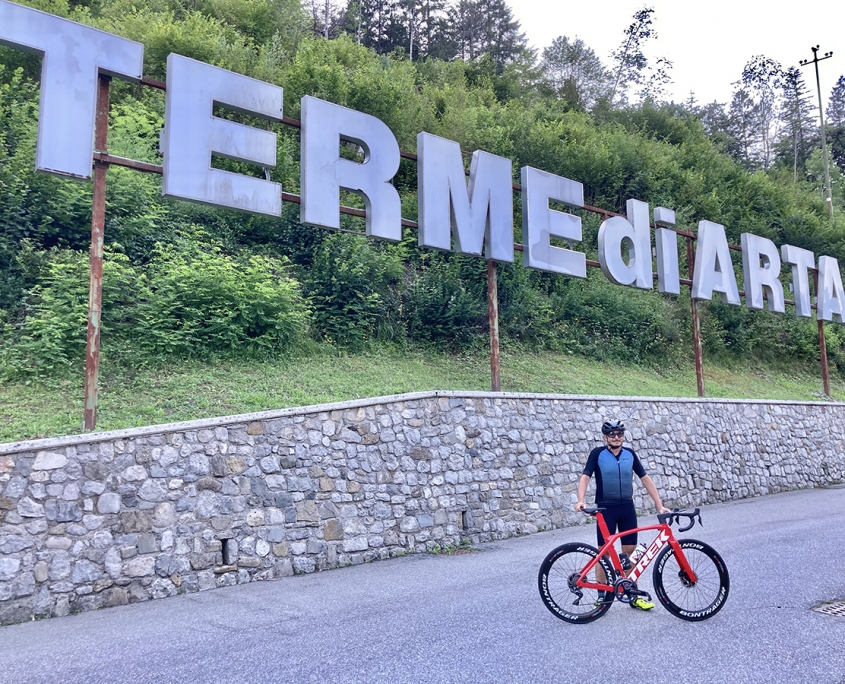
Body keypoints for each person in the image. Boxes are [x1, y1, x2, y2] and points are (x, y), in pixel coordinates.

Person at [574, 419, 671, 611]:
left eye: (619, 434)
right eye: (612, 434)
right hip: (605, 508)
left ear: (623, 436)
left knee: (630, 551)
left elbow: (646, 479)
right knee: (604, 553)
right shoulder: (597, 454)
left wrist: (660, 505)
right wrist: (580, 499)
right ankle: (602, 597)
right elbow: (585, 477)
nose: (616, 437)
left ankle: (630, 591)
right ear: (605, 437)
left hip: (627, 507)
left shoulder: (630, 454)